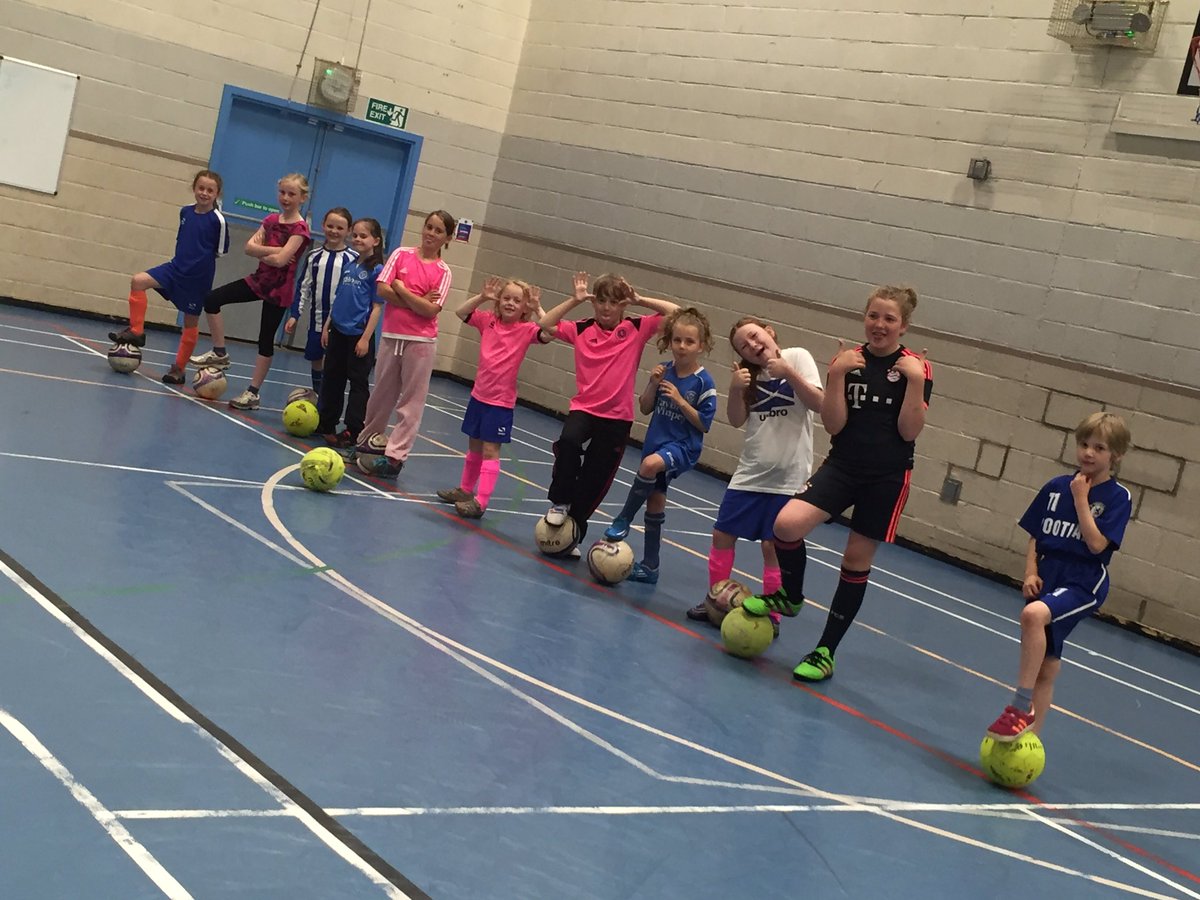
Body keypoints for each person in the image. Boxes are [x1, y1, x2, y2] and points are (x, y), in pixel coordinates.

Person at [742, 286, 933, 683]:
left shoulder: (916, 367)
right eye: (873, 316)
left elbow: (909, 431)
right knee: (786, 525)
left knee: (854, 561)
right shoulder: (848, 361)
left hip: (886, 477)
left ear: (903, 326)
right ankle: (790, 596)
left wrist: (915, 382)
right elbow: (833, 424)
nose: (879, 325)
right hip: (843, 466)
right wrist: (837, 373)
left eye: (889, 319)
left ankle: (825, 651)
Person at [985, 412, 1132, 741]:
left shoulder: (1117, 497)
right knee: (1047, 666)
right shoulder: (1054, 487)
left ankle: (1020, 707)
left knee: (1033, 616)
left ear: (1116, 455)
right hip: (1048, 575)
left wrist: (1081, 499)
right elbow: (1036, 535)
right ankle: (1030, 738)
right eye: (1084, 444)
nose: (1088, 453)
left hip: (1083, 581)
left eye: (1099, 448)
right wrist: (1030, 571)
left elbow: (1097, 544)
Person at [685, 317, 823, 635]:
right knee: (722, 535)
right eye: (743, 346)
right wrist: (735, 390)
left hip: (788, 477)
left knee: (772, 547)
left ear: (769, 331)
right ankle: (715, 600)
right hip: (750, 473)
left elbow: (818, 403)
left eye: (754, 336)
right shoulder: (748, 375)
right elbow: (736, 420)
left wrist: (788, 373)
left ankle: (772, 614)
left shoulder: (798, 357)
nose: (752, 345)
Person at [537, 272, 679, 547]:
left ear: (623, 305)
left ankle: (571, 537)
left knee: (595, 478)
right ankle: (560, 501)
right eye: (601, 301)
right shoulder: (581, 329)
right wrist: (574, 300)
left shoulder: (636, 328)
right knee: (568, 442)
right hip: (584, 409)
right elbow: (544, 324)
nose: (606, 307)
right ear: (594, 303)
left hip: (617, 418)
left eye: (614, 302)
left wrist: (640, 299)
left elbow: (678, 313)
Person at [602, 307, 718, 583]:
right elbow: (644, 407)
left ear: (701, 346)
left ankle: (624, 517)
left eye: (689, 341)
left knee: (649, 465)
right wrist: (653, 384)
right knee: (655, 502)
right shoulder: (664, 371)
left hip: (683, 447)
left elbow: (704, 423)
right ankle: (650, 567)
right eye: (677, 340)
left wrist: (680, 400)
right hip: (657, 442)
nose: (682, 346)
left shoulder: (704, 382)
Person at [190, 173, 312, 410]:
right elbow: (249, 248)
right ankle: (220, 352)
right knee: (212, 299)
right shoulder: (270, 220)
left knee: (265, 340)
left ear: (302, 198)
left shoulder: (300, 229)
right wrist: (274, 251)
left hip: (278, 290)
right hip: (259, 280)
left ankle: (253, 393)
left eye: (292, 194)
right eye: (282, 192)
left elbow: (282, 261)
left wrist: (266, 252)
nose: (285, 198)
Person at [435, 276, 549, 518]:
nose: (510, 303)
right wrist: (482, 297)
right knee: (474, 445)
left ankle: (481, 501)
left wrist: (538, 308)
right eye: (506, 298)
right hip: (479, 396)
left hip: (500, 403)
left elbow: (550, 332)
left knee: (490, 450)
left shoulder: (527, 330)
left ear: (524, 307)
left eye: (517, 301)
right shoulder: (487, 321)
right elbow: (460, 312)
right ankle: (465, 490)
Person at [355, 209, 456, 479]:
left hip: (421, 342)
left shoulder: (443, 272)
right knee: (381, 394)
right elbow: (382, 289)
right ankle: (366, 443)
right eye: (429, 227)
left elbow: (430, 311)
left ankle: (395, 457)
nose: (431, 233)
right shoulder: (401, 255)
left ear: (447, 238)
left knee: (411, 401)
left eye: (438, 230)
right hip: (392, 335)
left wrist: (400, 289)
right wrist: (417, 300)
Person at [108, 169, 229, 384]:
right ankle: (136, 331)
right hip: (174, 269)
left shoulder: (217, 220)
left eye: (210, 190)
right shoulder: (185, 212)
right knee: (138, 281)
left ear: (217, 194)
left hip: (197, 279)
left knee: (190, 322)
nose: (204, 193)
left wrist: (197, 264)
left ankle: (178, 369)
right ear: (194, 188)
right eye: (201, 188)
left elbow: (220, 251)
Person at [315, 218, 386, 448]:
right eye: (355, 235)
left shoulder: (377, 270)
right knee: (332, 378)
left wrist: (365, 338)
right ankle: (326, 422)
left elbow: (376, 307)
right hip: (338, 331)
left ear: (376, 240)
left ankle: (353, 430)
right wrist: (328, 325)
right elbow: (338, 298)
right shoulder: (350, 265)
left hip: (358, 335)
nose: (357, 239)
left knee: (357, 384)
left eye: (363, 236)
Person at [285, 207, 356, 396]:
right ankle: (319, 394)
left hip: (341, 323)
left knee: (333, 360)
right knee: (316, 357)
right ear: (323, 225)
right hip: (317, 319)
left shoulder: (353, 259)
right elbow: (303, 287)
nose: (334, 231)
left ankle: (329, 397)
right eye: (330, 226)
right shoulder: (314, 256)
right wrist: (295, 314)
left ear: (349, 231)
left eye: (340, 228)